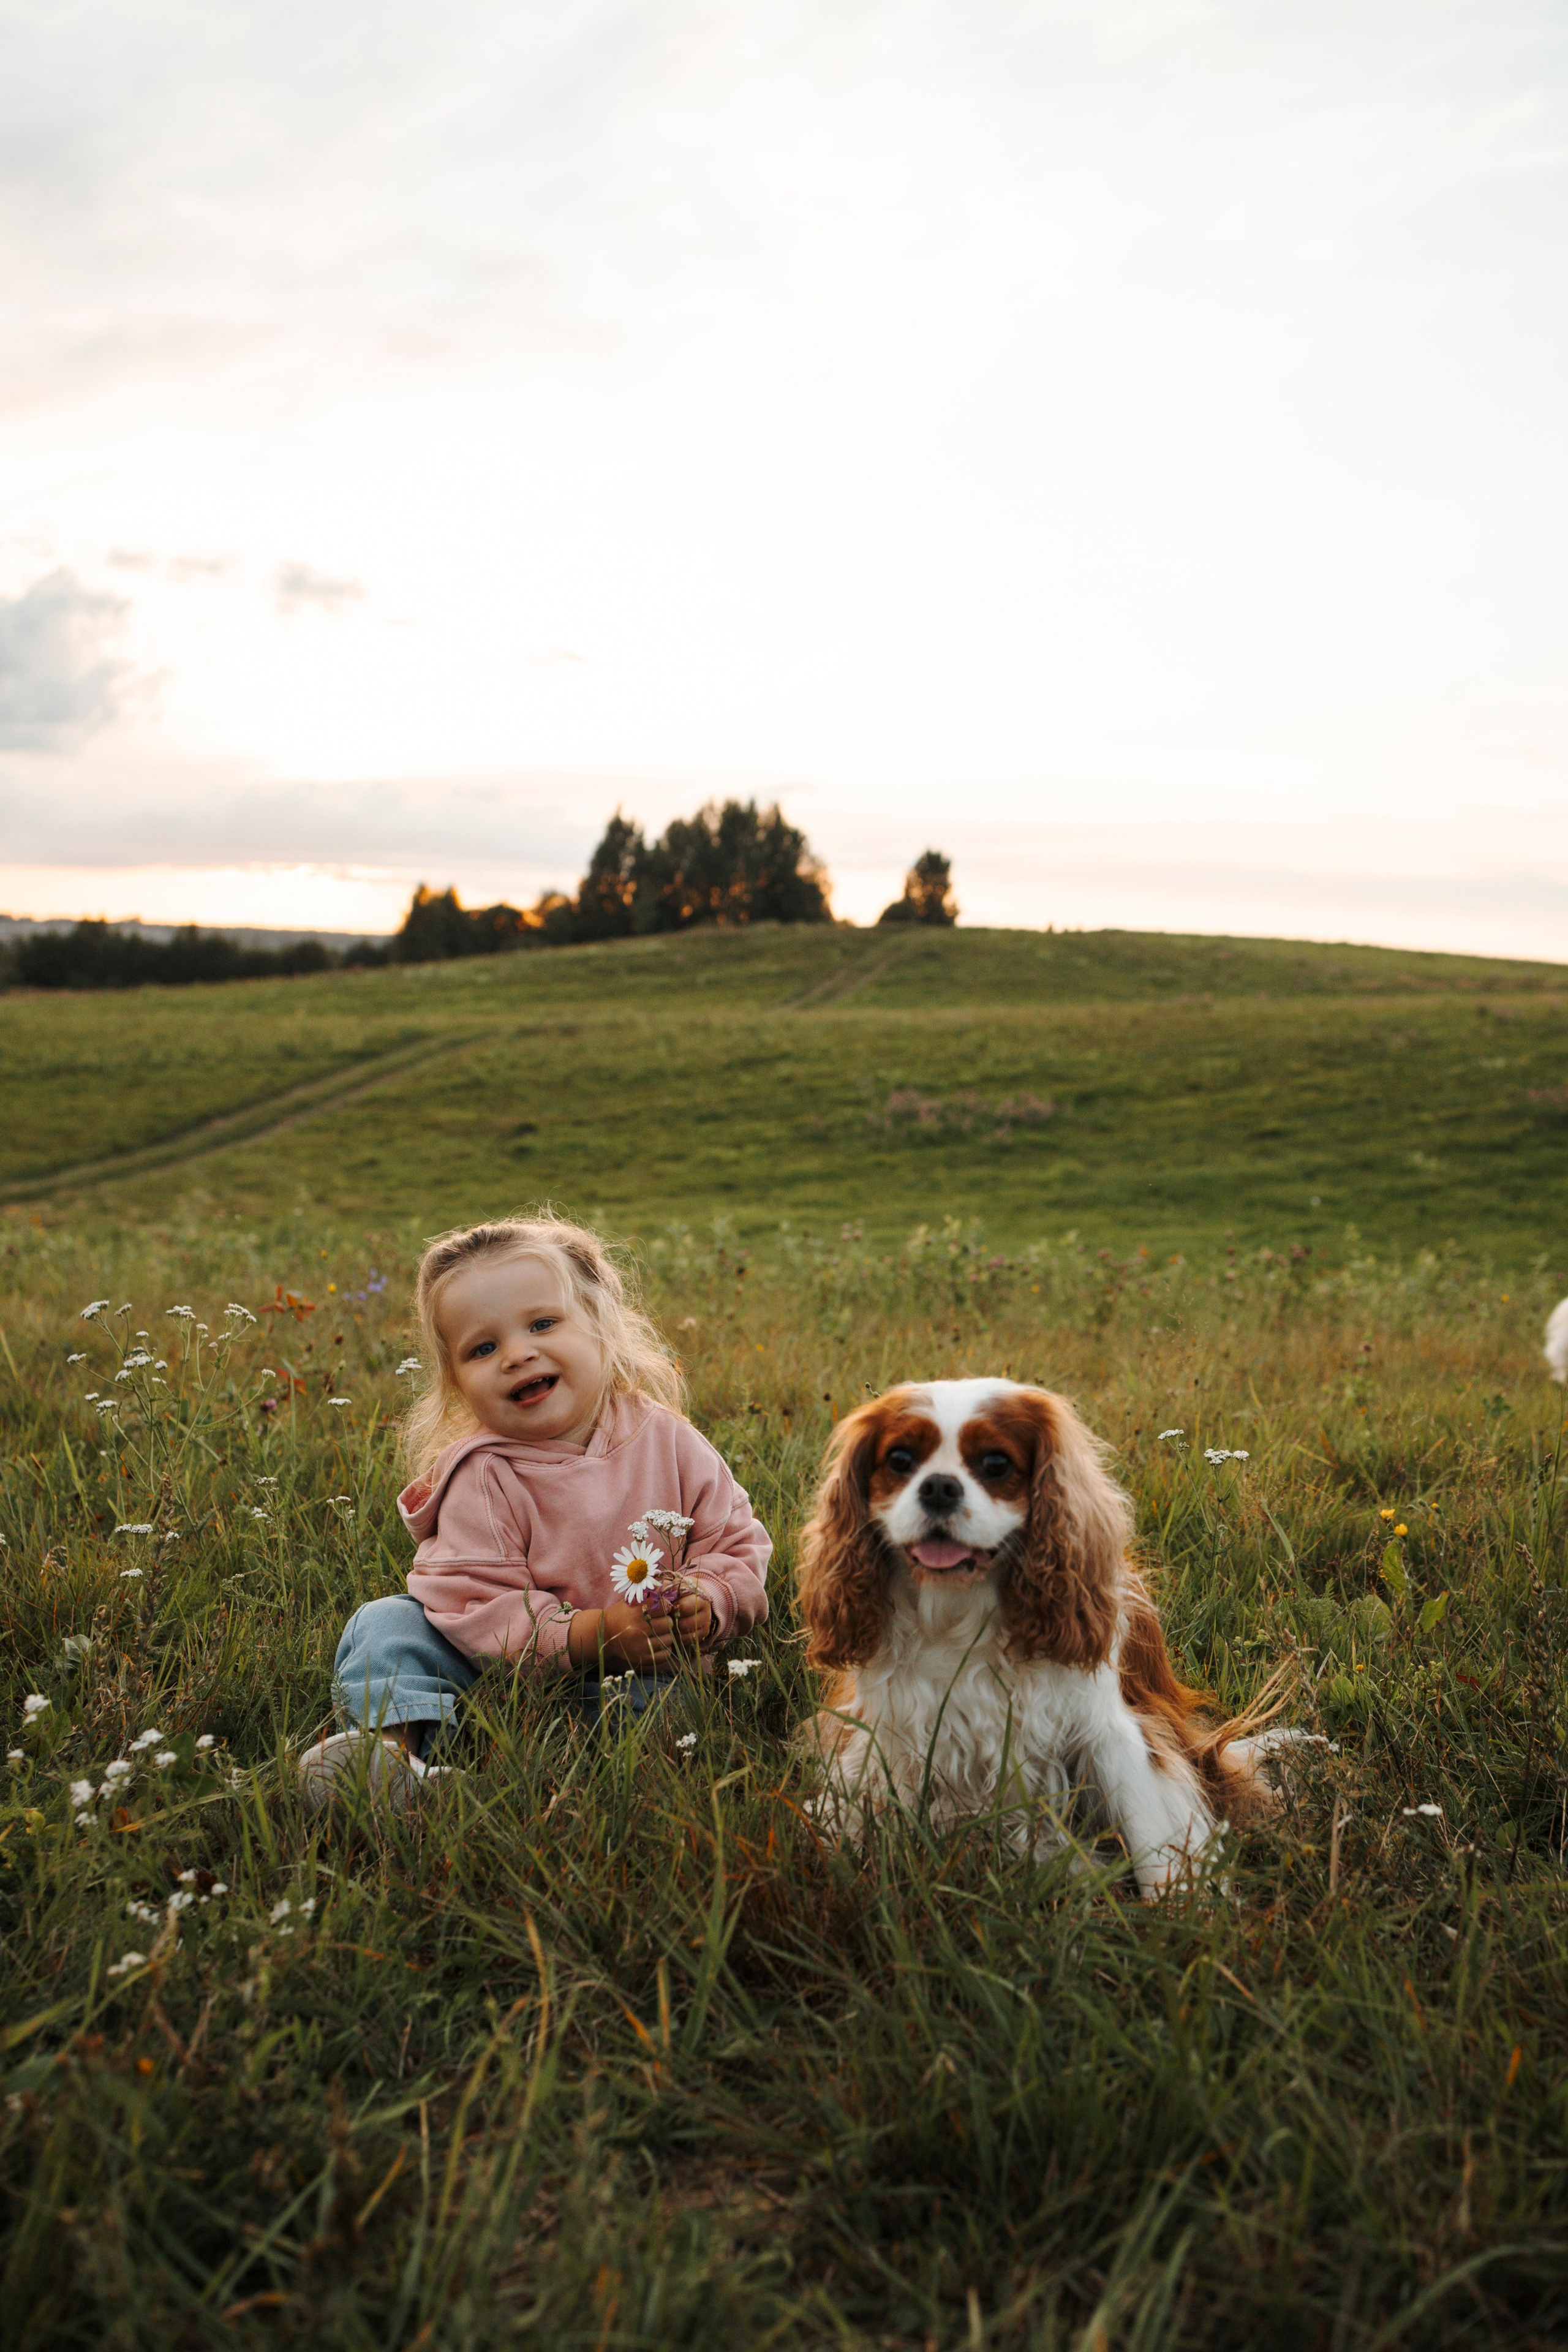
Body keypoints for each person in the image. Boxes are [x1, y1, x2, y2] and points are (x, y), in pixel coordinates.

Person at [300, 1214, 771, 1807]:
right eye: (483, 1348)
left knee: (664, 1707)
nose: (517, 1355)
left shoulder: (667, 1439)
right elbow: (475, 1606)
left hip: (637, 1669)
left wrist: (707, 1601)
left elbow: (735, 1543)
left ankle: (580, 1787)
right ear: (456, 1380)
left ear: (600, 1324)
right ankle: (388, 1756)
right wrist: (590, 1634)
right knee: (388, 1625)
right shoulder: (484, 1472)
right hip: (495, 1674)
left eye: (542, 1324)